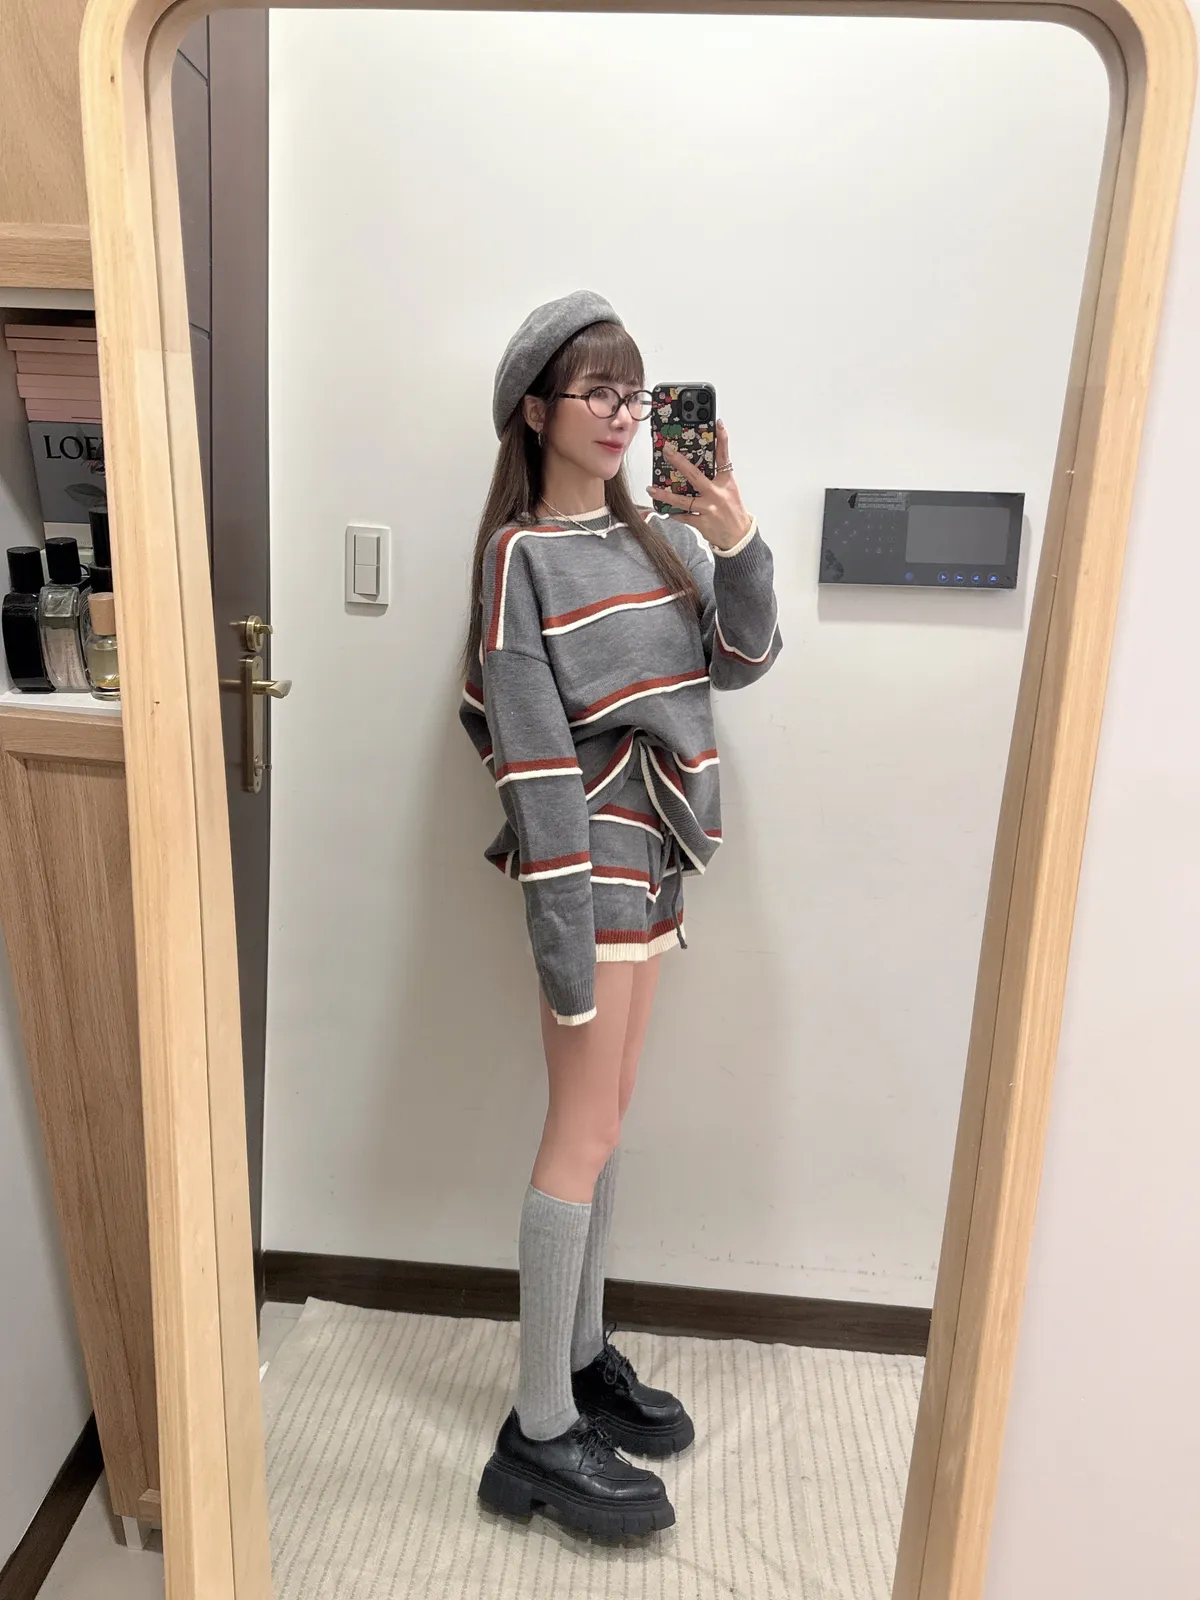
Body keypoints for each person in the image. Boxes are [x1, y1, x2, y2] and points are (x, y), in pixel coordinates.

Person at [460, 290, 782, 1537]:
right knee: (581, 1126)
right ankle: (539, 1433)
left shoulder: (662, 540)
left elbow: (742, 659)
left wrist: (737, 539)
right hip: (587, 856)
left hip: (655, 856)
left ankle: (583, 1354)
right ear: (535, 411)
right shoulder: (520, 558)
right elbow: (533, 764)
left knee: (609, 1118)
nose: (620, 413)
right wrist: (558, 938)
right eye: (595, 390)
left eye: (631, 390)